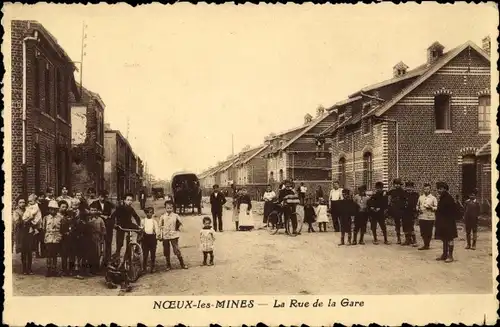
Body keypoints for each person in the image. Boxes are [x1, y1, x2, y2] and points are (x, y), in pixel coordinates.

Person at [159, 200, 188, 270]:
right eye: (167, 208)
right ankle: (168, 264)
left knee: (176, 249)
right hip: (165, 235)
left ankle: (182, 263)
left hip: (174, 235)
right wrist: (160, 234)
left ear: (173, 208)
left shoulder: (176, 216)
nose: (169, 209)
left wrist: (179, 227)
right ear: (165, 208)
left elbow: (180, 224)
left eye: (170, 208)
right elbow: (160, 226)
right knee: (166, 250)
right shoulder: (162, 217)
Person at [434, 182, 458, 263]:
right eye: (438, 189)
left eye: (441, 189)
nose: (439, 190)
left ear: (445, 189)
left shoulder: (449, 198)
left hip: (448, 222)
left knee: (449, 238)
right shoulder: (442, 198)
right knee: (444, 238)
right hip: (443, 222)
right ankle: (444, 254)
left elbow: (452, 210)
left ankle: (450, 256)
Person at [112, 193, 141, 258]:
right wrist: (114, 224)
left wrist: (139, 225)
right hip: (120, 225)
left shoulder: (131, 209)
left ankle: (136, 248)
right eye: (128, 200)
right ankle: (117, 253)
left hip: (129, 224)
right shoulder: (120, 208)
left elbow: (137, 217)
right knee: (120, 242)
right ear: (124, 201)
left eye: (131, 200)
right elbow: (113, 216)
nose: (130, 202)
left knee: (141, 231)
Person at [90, 191, 115, 266]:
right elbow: (91, 211)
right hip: (97, 225)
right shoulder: (94, 203)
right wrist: (102, 215)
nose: (102, 198)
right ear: (99, 196)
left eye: (104, 197)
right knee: (96, 243)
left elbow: (114, 210)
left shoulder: (109, 204)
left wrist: (110, 216)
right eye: (101, 196)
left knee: (108, 242)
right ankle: (95, 261)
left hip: (107, 226)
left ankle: (107, 260)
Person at [42, 200, 64, 277]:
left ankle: (54, 269)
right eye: (51, 209)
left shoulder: (60, 218)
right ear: (49, 209)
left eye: (55, 209)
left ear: (57, 210)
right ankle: (48, 269)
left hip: (57, 237)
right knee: (48, 254)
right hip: (48, 237)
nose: (53, 210)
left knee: (54, 254)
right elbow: (44, 228)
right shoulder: (46, 218)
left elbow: (62, 228)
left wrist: (60, 236)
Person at [14, 197, 33, 274]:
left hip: (29, 232)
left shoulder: (28, 210)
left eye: (24, 202)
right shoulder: (16, 212)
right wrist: (26, 219)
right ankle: (24, 269)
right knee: (23, 251)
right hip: (21, 233)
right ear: (18, 204)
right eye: (20, 202)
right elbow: (17, 222)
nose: (22, 204)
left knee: (29, 251)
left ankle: (29, 268)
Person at [417, 183, 438, 250]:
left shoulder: (433, 198)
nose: (426, 190)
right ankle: (425, 243)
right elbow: (417, 205)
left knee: (428, 231)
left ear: (430, 190)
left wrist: (431, 207)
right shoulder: (421, 197)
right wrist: (418, 209)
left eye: (428, 189)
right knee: (423, 231)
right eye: (425, 189)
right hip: (422, 216)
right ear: (423, 189)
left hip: (430, 217)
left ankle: (427, 244)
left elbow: (436, 207)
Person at [387, 178, 407, 244]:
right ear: (394, 185)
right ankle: (398, 238)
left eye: (398, 184)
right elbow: (386, 194)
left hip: (402, 210)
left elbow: (405, 200)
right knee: (397, 224)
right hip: (395, 210)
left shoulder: (403, 191)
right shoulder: (392, 191)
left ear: (400, 185)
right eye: (396, 184)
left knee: (405, 223)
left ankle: (408, 238)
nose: (397, 186)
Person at [141, 207, 160, 273]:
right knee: (145, 254)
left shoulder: (154, 221)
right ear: (146, 213)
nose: (150, 214)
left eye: (151, 212)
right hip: (145, 238)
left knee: (153, 254)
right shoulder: (143, 221)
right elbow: (141, 229)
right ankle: (144, 268)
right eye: (148, 212)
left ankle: (153, 267)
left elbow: (157, 229)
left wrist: (158, 235)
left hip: (152, 238)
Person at [88, 206, 106, 275]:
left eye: (94, 210)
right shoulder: (88, 219)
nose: (93, 211)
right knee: (90, 253)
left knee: (97, 253)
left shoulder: (100, 219)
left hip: (97, 238)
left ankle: (97, 268)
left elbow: (103, 229)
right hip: (89, 238)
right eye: (91, 210)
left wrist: (102, 238)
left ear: (97, 211)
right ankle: (90, 268)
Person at [59, 200, 75, 276]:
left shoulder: (74, 221)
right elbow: (61, 229)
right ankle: (64, 269)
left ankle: (71, 269)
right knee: (64, 254)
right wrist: (65, 233)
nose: (69, 217)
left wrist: (72, 232)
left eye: (71, 215)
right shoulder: (63, 220)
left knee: (72, 255)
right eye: (68, 215)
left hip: (72, 239)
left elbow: (75, 228)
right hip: (65, 239)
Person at [403, 181, 419, 247]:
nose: (409, 189)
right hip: (404, 212)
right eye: (407, 187)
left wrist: (416, 213)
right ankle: (407, 240)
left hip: (412, 213)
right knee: (405, 226)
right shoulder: (404, 194)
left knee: (411, 226)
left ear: (413, 188)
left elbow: (417, 204)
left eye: (410, 187)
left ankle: (414, 240)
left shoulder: (415, 195)